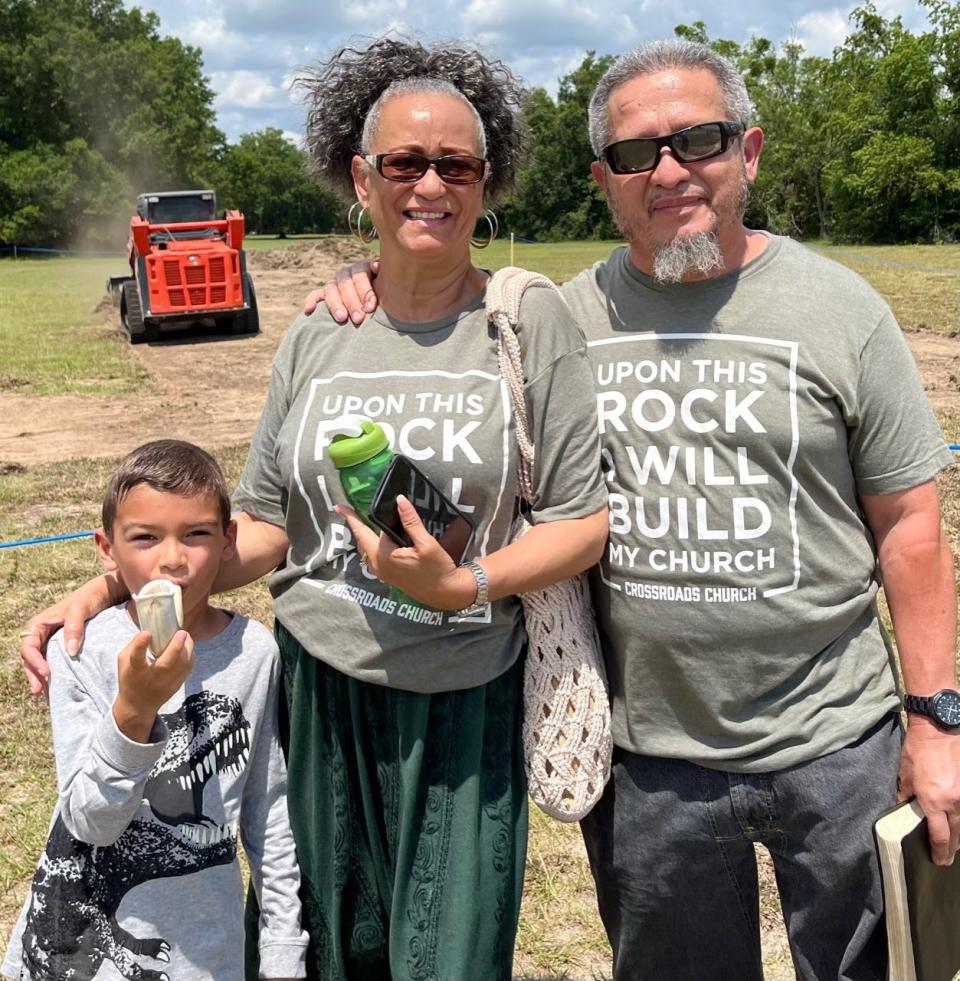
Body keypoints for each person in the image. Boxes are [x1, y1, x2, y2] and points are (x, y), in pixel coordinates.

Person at [304, 38, 960, 981]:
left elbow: (909, 525)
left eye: (699, 140)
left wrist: (937, 720)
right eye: (634, 154)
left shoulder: (842, 310)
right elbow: (431, 306)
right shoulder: (549, 319)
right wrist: (364, 281)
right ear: (602, 180)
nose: (669, 171)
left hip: (839, 743)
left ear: (750, 151)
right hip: (648, 758)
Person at [18, 38, 609, 981]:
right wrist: (109, 589)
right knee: (327, 952)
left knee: (448, 961)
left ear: (486, 182)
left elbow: (583, 520)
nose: (430, 185)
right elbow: (264, 520)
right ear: (361, 177)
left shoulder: (523, 321)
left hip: (459, 700)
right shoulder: (316, 331)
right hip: (317, 691)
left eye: (456, 165)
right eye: (405, 163)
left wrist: (469, 583)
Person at [3, 439, 307, 981]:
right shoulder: (80, 652)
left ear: (229, 539)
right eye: (144, 538)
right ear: (106, 548)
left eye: (197, 534)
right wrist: (134, 711)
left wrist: (282, 947)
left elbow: (268, 807)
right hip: (75, 957)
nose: (172, 558)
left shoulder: (255, 652)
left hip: (204, 954)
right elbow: (91, 823)